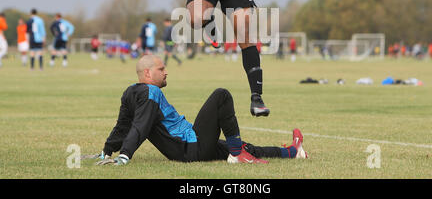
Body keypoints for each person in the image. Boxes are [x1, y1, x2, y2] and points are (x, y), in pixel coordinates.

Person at [84, 55, 307, 166]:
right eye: (161, 69)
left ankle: (292, 152)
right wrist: (124, 156)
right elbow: (139, 126)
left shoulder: (130, 93)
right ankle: (238, 154)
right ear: (148, 75)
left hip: (190, 147)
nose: (166, 72)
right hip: (191, 147)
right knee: (222, 95)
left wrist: (107, 151)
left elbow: (124, 125)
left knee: (243, 146)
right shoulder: (151, 93)